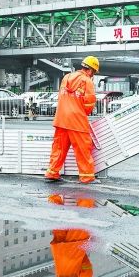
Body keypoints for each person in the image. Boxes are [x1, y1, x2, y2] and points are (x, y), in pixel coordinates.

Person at [45, 56, 99, 184]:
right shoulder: (87, 81)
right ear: (91, 70)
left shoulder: (66, 78)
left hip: (61, 119)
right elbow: (88, 105)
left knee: (58, 148)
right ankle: (87, 177)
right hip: (77, 121)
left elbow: (61, 97)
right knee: (83, 149)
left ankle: (52, 173)